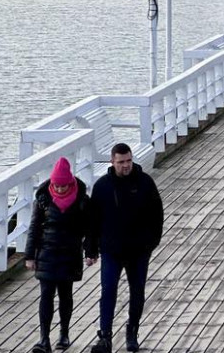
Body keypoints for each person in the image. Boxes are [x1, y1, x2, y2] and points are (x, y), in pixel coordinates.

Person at [87, 143, 163, 353]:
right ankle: (105, 336)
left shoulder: (145, 182)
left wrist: (152, 242)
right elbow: (93, 221)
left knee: (137, 291)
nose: (126, 165)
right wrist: (91, 249)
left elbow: (157, 213)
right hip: (111, 250)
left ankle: (132, 331)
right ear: (112, 162)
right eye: (121, 162)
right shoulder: (102, 186)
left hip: (139, 250)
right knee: (108, 290)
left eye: (129, 160)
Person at [26, 157, 92, 353]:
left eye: (64, 186)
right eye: (57, 186)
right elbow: (34, 228)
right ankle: (44, 339)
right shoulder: (42, 200)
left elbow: (90, 229)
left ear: (70, 182)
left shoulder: (82, 200)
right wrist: (29, 256)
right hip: (46, 252)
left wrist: (90, 251)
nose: (60, 189)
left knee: (65, 294)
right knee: (46, 295)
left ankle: (64, 333)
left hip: (70, 252)